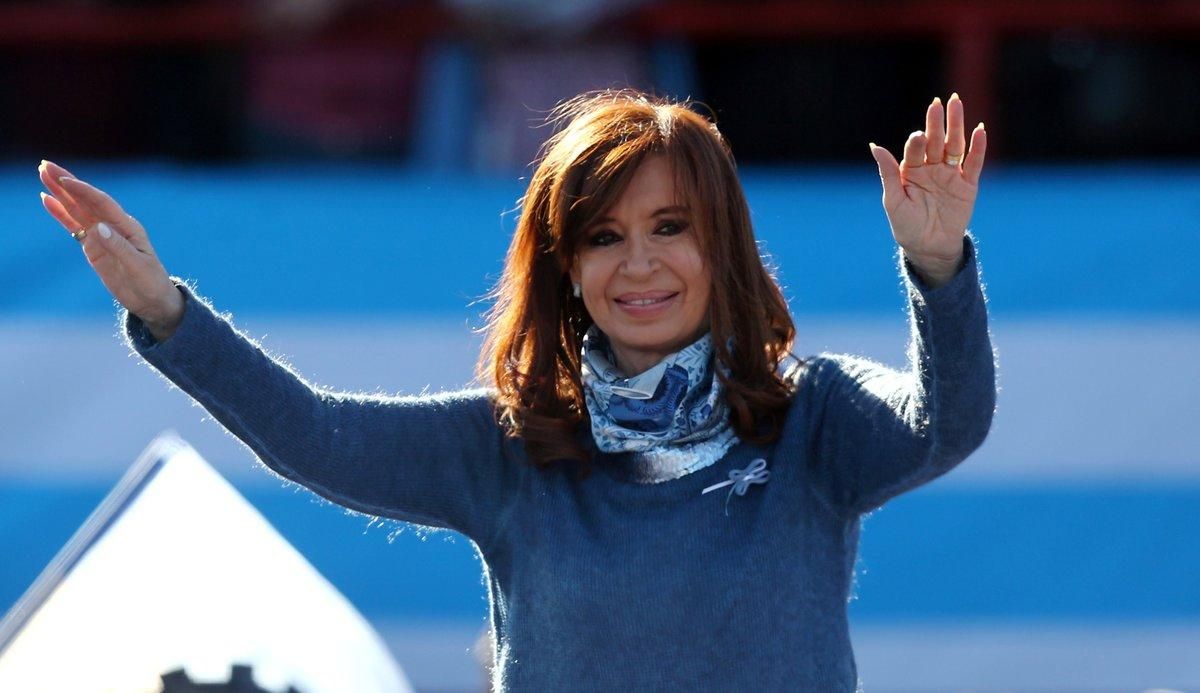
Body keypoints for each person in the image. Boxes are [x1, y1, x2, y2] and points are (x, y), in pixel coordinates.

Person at [37, 88, 995, 691]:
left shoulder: (812, 416)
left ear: (723, 245)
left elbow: (947, 424)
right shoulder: (513, 447)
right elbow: (317, 435)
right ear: (565, 266)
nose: (641, 265)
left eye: (670, 226)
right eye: (604, 236)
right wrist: (167, 312)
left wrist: (937, 266)